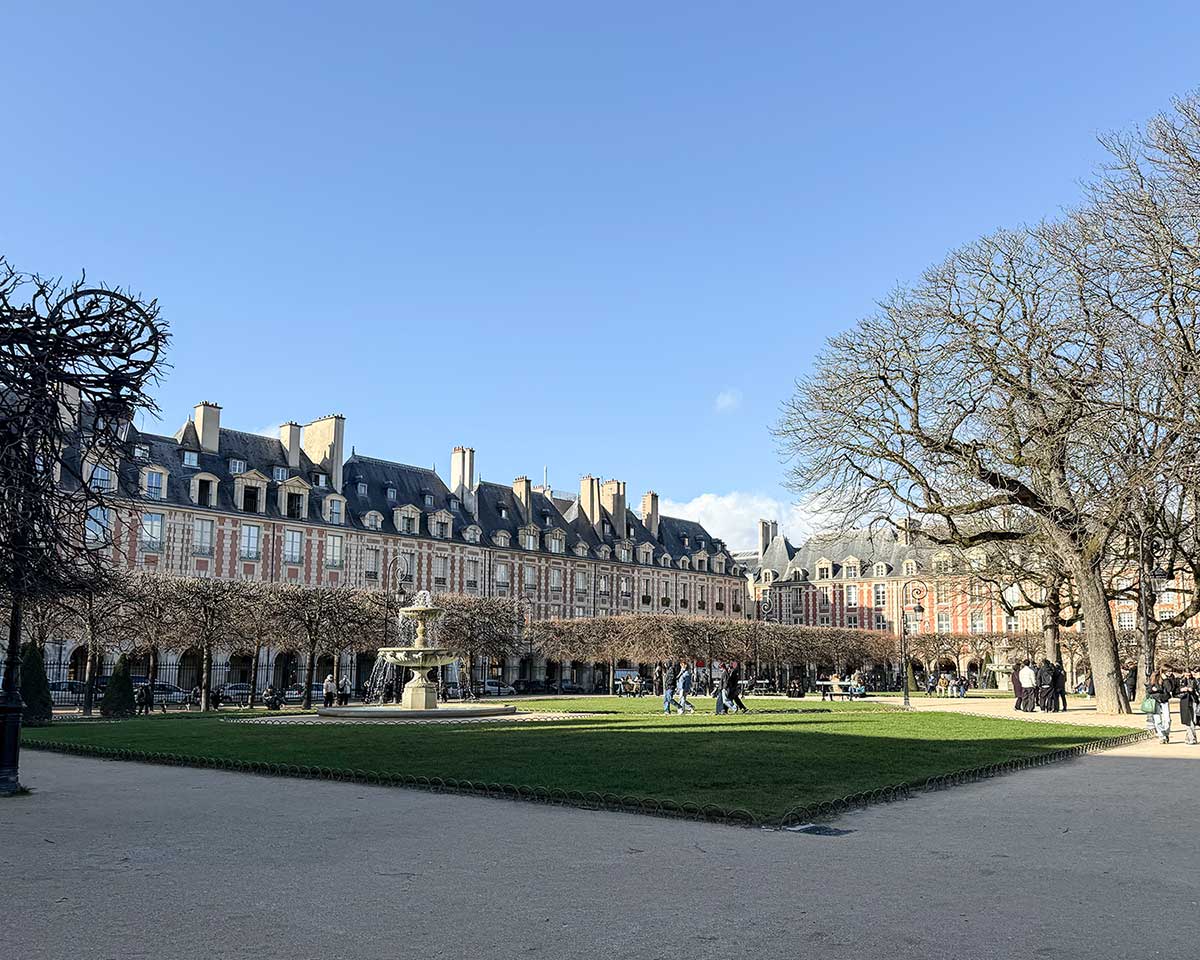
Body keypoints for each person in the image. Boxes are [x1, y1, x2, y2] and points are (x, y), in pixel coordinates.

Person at [1146, 671, 1172, 744]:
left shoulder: (1168, 679)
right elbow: (1148, 689)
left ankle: (1165, 733)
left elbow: (1170, 689)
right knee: (1158, 721)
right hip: (1155, 700)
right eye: (1168, 671)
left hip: (1164, 700)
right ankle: (1162, 736)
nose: (1169, 673)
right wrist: (1152, 689)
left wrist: (1166, 680)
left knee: (1168, 720)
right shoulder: (1154, 677)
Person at [1178, 673, 1198, 746]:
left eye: (1189, 675)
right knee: (1188, 720)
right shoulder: (1180, 681)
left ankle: (1189, 736)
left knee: (1194, 720)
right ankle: (1192, 738)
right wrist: (1182, 689)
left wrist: (1193, 689)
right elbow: (1174, 691)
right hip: (1185, 700)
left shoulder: (1195, 680)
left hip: (1194, 700)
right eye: (1186, 675)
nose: (1188, 677)